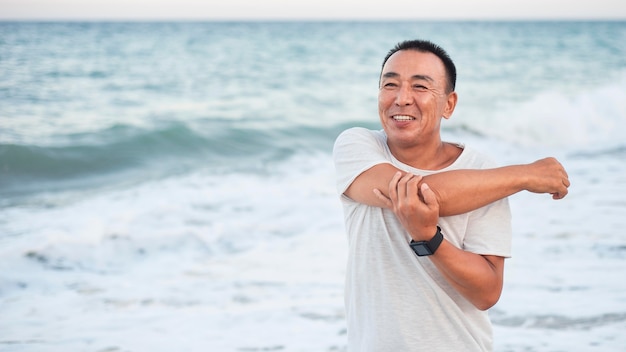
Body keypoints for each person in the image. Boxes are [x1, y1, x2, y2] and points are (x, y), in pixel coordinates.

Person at [332, 39, 570, 351]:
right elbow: (414, 194)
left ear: (449, 104)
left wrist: (429, 238)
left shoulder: (481, 170)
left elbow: (486, 293)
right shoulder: (358, 147)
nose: (402, 99)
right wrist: (523, 175)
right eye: (390, 84)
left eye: (420, 87)